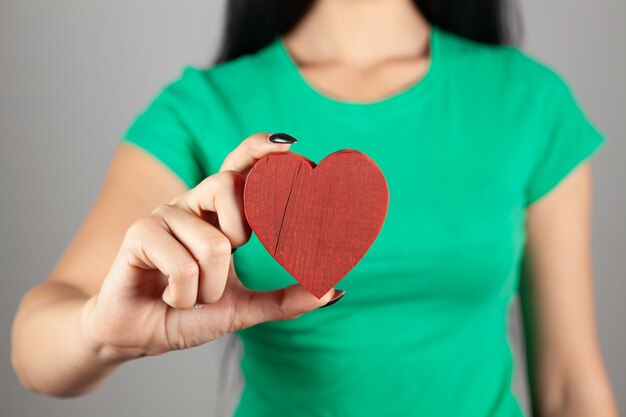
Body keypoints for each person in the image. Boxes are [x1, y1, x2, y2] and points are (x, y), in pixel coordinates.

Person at [10, 0, 619, 416]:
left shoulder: (528, 101)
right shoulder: (200, 108)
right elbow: (36, 344)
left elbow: (570, 388)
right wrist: (101, 333)